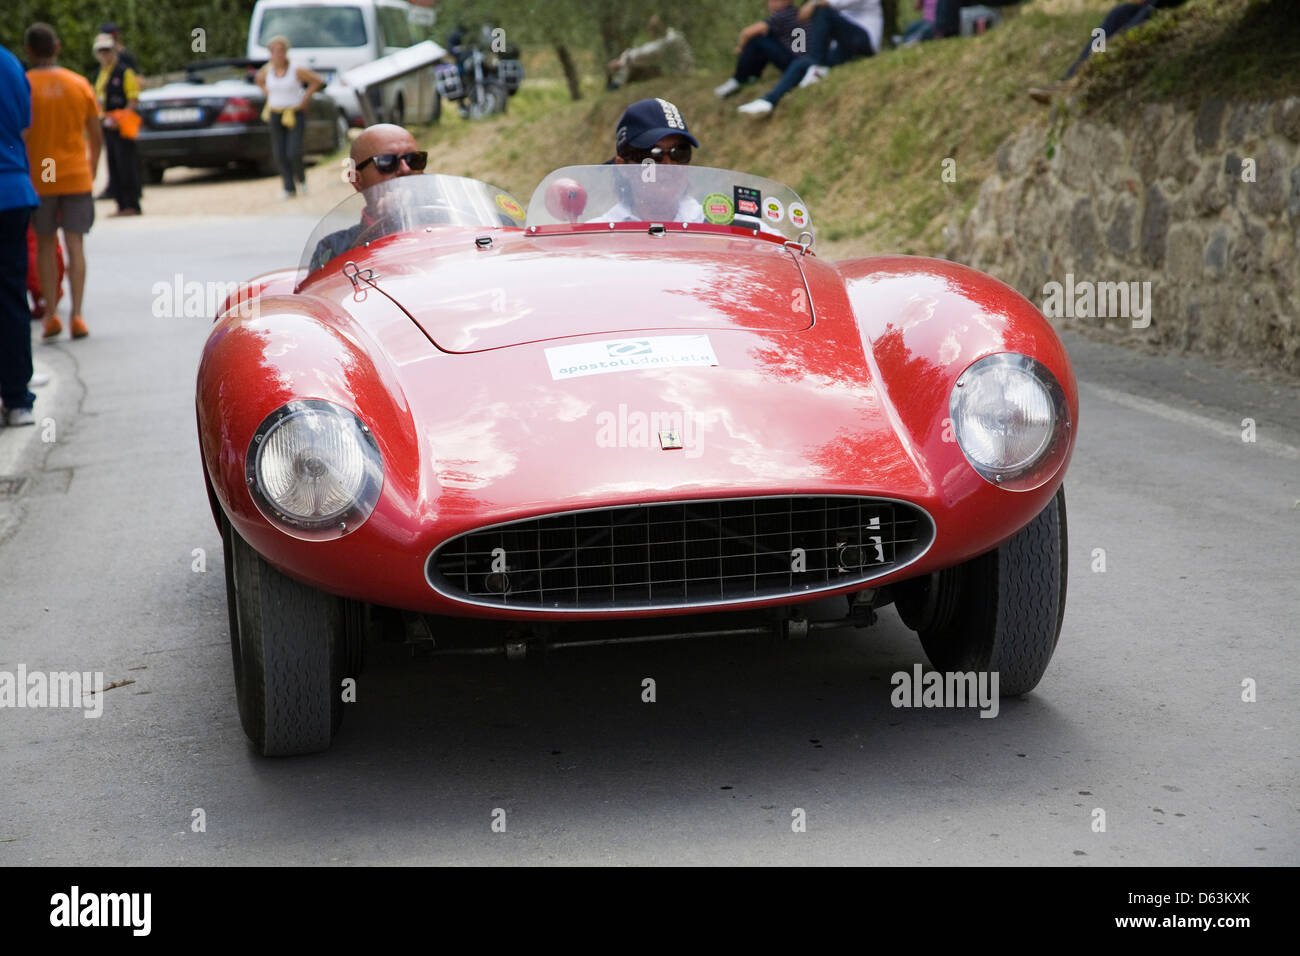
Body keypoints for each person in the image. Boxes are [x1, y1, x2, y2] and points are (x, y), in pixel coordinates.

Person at [25, 23, 101, 341]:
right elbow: (96, 135)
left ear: (29, 51)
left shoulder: (24, 84)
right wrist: (92, 168)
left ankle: (51, 313)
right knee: (75, 245)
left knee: (45, 243)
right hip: (74, 172)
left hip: (42, 174)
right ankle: (79, 316)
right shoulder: (79, 83)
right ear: (57, 47)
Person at [308, 124, 428, 271]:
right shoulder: (334, 248)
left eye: (414, 159)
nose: (406, 169)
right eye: (387, 162)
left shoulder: (453, 219)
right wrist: (388, 225)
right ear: (357, 181)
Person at [738, 0, 882, 115]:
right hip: (839, 48)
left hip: (865, 42)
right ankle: (769, 100)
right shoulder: (796, 13)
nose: (771, 4)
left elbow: (830, 4)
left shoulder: (786, 14)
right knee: (802, 62)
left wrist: (812, 4)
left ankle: (817, 66)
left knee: (821, 11)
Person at [1, 45, 41, 427]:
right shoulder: (10, 63)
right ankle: (17, 399)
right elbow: (25, 126)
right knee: (12, 297)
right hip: (13, 192)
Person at [591, 98, 701, 223]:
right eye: (654, 155)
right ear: (623, 167)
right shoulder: (596, 236)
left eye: (680, 152)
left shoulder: (717, 226)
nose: (669, 164)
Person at [255, 36, 325, 199]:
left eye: (281, 51)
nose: (278, 54)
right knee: (279, 152)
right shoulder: (267, 70)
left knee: (293, 150)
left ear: (286, 52)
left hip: (294, 113)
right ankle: (288, 187)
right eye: (274, 51)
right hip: (275, 112)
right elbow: (258, 80)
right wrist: (267, 93)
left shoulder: (296, 69)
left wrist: (305, 98)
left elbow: (317, 81)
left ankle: (301, 179)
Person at [93, 32, 142, 217]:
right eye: (101, 51)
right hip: (107, 125)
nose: (104, 55)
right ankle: (121, 204)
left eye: (107, 50)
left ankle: (132, 204)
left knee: (126, 165)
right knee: (114, 164)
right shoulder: (100, 74)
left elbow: (133, 99)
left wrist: (120, 118)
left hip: (122, 126)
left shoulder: (124, 71)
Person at [715, 0, 801, 98]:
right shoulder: (797, 12)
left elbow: (747, 33)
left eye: (775, 1)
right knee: (767, 37)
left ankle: (738, 79)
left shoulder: (782, 15)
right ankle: (751, 76)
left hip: (796, 63)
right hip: (800, 60)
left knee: (757, 39)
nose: (771, 4)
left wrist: (739, 48)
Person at [605, 16, 695, 91]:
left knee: (631, 64)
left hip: (679, 72)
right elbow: (644, 50)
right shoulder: (668, 37)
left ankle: (614, 86)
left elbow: (644, 53)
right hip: (674, 70)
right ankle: (614, 85)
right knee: (630, 63)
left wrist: (622, 61)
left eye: (651, 29)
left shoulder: (669, 40)